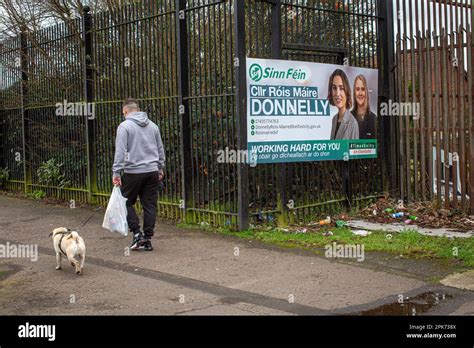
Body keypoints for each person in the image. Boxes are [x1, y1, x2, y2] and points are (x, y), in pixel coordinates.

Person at [112, 98, 165, 251]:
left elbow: (120, 151)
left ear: (125, 111)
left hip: (133, 172)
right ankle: (147, 239)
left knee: (124, 202)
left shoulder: (124, 126)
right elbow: (160, 149)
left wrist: (116, 171)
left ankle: (137, 234)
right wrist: (160, 168)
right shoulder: (153, 126)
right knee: (149, 205)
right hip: (152, 171)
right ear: (138, 109)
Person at [328, 69, 359, 140]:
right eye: (334, 88)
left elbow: (354, 150)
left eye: (341, 88)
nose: (337, 93)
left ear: (346, 91)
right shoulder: (334, 119)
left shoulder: (352, 123)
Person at [352, 74, 376, 139]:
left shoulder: (373, 118)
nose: (360, 93)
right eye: (357, 89)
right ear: (354, 93)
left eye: (362, 89)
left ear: (366, 92)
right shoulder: (349, 117)